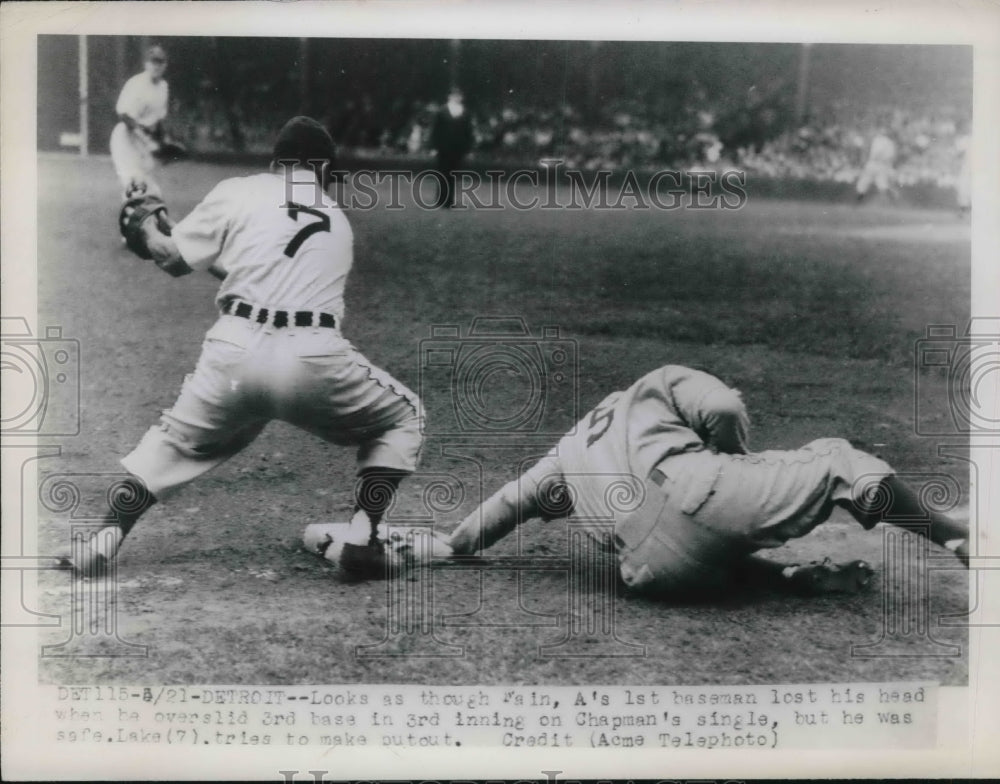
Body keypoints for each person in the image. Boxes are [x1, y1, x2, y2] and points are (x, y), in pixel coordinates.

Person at [74, 116, 424, 579]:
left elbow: (174, 260)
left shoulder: (241, 189)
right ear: (321, 170)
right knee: (405, 417)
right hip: (312, 356)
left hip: (234, 353)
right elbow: (265, 271)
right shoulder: (337, 220)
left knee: (172, 444)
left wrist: (147, 231)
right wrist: (172, 234)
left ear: (277, 161)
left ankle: (104, 538)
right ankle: (362, 537)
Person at [446, 365, 969, 597]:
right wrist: (735, 457)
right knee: (838, 460)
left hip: (652, 574)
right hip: (703, 489)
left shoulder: (565, 451)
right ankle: (955, 536)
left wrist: (458, 546)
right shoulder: (655, 384)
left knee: (702, 543)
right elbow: (721, 405)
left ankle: (781, 579)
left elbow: (507, 503)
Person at [109, 45, 174, 200]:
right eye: (153, 62)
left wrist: (163, 141)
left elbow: (158, 119)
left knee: (152, 190)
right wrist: (146, 139)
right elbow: (125, 116)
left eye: (160, 62)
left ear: (165, 65)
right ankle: (134, 219)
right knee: (134, 185)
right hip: (125, 137)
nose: (156, 66)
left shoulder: (163, 87)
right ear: (146, 64)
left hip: (142, 139)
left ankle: (153, 219)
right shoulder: (137, 83)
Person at [429, 89, 474, 208]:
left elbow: (468, 132)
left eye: (459, 96)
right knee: (443, 173)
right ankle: (441, 200)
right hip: (443, 147)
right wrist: (433, 147)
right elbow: (435, 130)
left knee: (453, 174)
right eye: (454, 96)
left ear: (461, 98)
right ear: (449, 97)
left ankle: (449, 200)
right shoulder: (441, 111)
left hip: (457, 148)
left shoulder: (465, 112)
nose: (457, 98)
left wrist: (468, 149)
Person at [855, 125, 898, 203]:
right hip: (880, 165)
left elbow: (875, 153)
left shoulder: (878, 140)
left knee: (865, 183)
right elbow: (891, 157)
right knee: (881, 185)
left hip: (875, 164)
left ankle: (858, 202)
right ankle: (893, 199)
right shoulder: (888, 142)